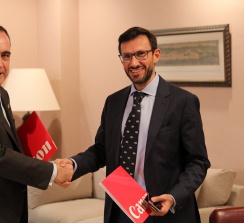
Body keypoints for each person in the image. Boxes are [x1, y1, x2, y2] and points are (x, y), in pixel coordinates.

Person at [57, 26, 210, 223]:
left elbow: (198, 162)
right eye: (126, 56)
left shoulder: (183, 102)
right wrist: (73, 165)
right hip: (120, 210)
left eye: (140, 54)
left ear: (156, 55)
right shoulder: (113, 102)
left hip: (163, 212)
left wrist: (173, 197)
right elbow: (102, 150)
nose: (134, 63)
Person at [0, 26, 74, 223]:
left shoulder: (3, 94)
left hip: (12, 209)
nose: (1, 64)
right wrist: (53, 172)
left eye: (5, 55)